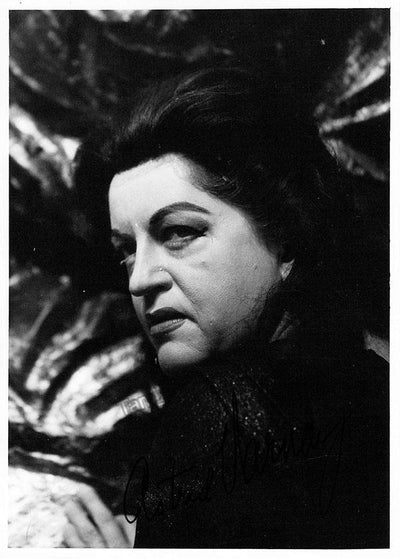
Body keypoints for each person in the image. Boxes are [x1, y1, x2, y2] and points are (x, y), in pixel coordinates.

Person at [63, 68, 389, 548]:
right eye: (126, 251)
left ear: (288, 236)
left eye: (180, 232)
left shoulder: (221, 411)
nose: (139, 279)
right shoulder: (371, 386)